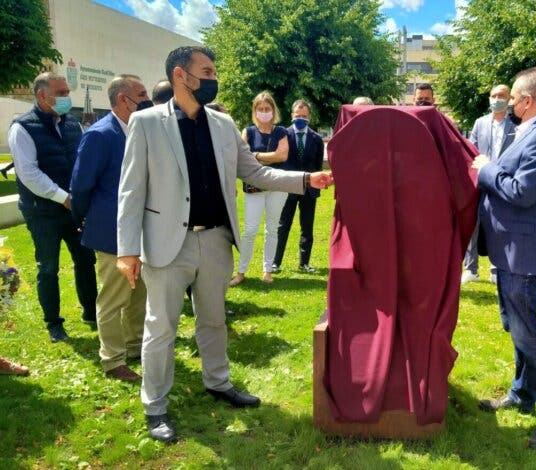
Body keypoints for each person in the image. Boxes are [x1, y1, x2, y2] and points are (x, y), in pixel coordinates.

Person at [116, 46, 331, 443]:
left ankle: (218, 382)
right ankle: (156, 406)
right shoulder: (145, 123)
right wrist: (127, 250)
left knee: (214, 320)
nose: (213, 78)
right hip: (166, 244)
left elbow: (255, 172)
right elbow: (131, 190)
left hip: (216, 239)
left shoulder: (223, 123)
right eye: (207, 71)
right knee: (160, 329)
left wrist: (304, 179)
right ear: (180, 75)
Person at [473, 67, 536, 450]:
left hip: (526, 254)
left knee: (531, 335)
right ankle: (522, 394)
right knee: (519, 331)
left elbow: (522, 191)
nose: (509, 103)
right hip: (513, 248)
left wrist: (486, 169)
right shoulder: (534, 130)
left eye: (513, 98)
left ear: (527, 101)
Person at [70, 74, 152, 382]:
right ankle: (113, 360)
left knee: (138, 294)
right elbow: (80, 186)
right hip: (111, 232)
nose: (147, 99)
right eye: (141, 94)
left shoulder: (140, 130)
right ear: (122, 100)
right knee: (114, 298)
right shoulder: (100, 135)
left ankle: (135, 346)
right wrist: (83, 219)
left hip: (141, 229)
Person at [7, 72, 98, 343]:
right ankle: (54, 324)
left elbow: (82, 162)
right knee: (48, 267)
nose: (66, 97)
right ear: (42, 95)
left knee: (86, 260)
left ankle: (91, 312)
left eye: (67, 92)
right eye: (60, 93)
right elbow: (29, 174)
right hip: (42, 211)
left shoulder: (73, 124)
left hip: (73, 207)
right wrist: (63, 197)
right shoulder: (22, 128)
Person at [229, 92, 290, 286]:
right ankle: (241, 271)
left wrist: (256, 155)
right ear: (255, 111)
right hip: (254, 186)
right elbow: (243, 157)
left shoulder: (281, 131)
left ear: (273, 110)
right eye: (260, 109)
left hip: (277, 185)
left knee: (272, 229)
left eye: (267, 108)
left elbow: (282, 156)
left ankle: (267, 270)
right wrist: (266, 156)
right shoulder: (248, 131)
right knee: (250, 230)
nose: (264, 112)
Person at [461, 84, 515, 284]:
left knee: (498, 225)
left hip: (503, 181)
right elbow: (472, 149)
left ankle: (496, 268)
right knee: (473, 223)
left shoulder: (516, 125)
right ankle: (471, 269)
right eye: (493, 95)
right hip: (481, 180)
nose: (496, 99)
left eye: (501, 96)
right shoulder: (480, 123)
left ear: (509, 99)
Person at [273, 100, 325, 273]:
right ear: (292, 115)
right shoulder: (282, 135)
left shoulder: (316, 139)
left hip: (309, 190)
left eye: (304, 116)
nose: (300, 118)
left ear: (309, 117)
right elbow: (278, 163)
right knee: (282, 226)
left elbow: (318, 166)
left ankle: (304, 263)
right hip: (288, 187)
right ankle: (275, 262)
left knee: (307, 227)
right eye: (297, 115)